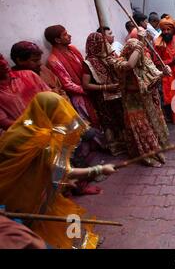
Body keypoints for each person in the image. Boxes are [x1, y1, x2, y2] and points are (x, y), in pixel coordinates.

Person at [0, 92, 117, 248]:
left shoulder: (23, 127)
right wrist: (99, 169)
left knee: (63, 215)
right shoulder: (41, 140)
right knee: (55, 221)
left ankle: (82, 242)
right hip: (25, 197)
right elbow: (63, 171)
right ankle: (79, 245)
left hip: (20, 192)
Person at [111, 27, 169, 167]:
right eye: (138, 50)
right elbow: (130, 65)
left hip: (147, 99)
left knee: (150, 125)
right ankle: (148, 155)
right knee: (141, 128)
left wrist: (164, 73)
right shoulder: (119, 62)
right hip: (133, 102)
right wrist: (139, 43)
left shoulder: (144, 59)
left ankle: (156, 148)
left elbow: (152, 79)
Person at [44, 25, 99, 128]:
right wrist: (87, 89)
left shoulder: (72, 49)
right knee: (90, 124)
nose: (69, 36)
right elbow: (67, 84)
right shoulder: (53, 60)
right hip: (79, 95)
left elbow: (85, 67)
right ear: (57, 40)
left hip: (89, 88)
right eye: (65, 34)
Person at [82, 32, 126, 156]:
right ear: (95, 45)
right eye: (102, 43)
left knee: (121, 118)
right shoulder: (88, 63)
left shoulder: (109, 57)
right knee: (109, 121)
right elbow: (86, 85)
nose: (105, 45)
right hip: (103, 97)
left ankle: (126, 142)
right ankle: (115, 146)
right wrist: (106, 87)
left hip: (118, 93)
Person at [0, 53, 49, 134]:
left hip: (49, 124)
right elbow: (4, 122)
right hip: (24, 135)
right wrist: (30, 124)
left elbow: (49, 97)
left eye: (2, 58)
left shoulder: (29, 74)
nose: (3, 63)